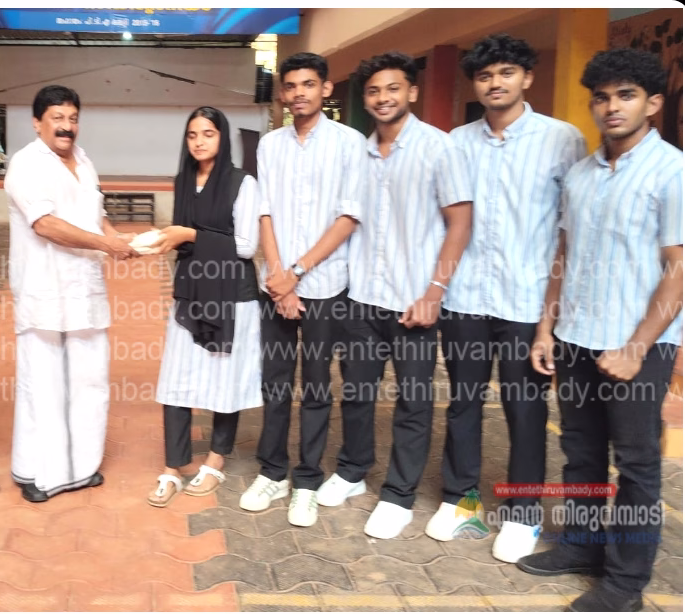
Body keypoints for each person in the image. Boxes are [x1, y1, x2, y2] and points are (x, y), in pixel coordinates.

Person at [519, 48, 682, 613]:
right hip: (576, 337)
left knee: (636, 465)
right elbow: (564, 254)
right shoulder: (582, 175)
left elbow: (679, 267)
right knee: (580, 451)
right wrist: (547, 328)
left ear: (652, 104)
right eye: (602, 97)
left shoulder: (672, 171)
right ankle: (582, 545)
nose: (612, 107)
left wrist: (636, 348)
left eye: (626, 95)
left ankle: (625, 583)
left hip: (639, 345)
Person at [427, 34, 587, 562]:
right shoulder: (458, 142)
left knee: (525, 409)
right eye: (485, 75)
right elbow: (449, 221)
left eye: (506, 72)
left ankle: (523, 514)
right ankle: (461, 501)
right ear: (475, 84)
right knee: (464, 403)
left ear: (527, 77)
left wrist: (551, 318)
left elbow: (569, 231)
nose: (495, 83)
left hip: (526, 301)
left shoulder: (562, 140)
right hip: (467, 298)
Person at [325, 52, 473, 539]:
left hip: (414, 302)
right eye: (373, 91)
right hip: (363, 297)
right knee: (357, 393)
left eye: (393, 88)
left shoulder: (439, 147)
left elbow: (460, 223)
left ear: (412, 91)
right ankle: (352, 470)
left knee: (412, 401)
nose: (383, 98)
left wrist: (435, 292)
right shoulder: (359, 153)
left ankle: (398, 496)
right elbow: (350, 219)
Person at [237, 51, 367, 529]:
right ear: (283, 93)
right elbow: (265, 212)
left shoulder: (350, 143)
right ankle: (272, 472)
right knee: (274, 383)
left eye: (308, 84)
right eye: (290, 86)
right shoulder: (270, 145)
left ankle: (307, 480)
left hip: (326, 287)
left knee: (315, 387)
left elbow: (349, 218)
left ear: (325, 88)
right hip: (276, 287)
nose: (298, 94)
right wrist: (279, 278)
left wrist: (296, 272)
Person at [4, 85, 139, 502]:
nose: (67, 126)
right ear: (37, 123)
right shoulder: (26, 164)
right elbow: (44, 224)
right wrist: (105, 245)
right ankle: (37, 473)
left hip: (85, 290)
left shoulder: (84, 160)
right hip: (45, 290)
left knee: (89, 380)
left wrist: (119, 240)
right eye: (57, 118)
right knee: (43, 384)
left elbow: (96, 215)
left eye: (73, 118)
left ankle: (81, 468)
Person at [145, 107, 262, 507]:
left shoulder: (241, 183)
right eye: (192, 134)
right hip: (192, 289)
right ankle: (173, 466)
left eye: (208, 133)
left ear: (222, 138)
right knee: (176, 376)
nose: (199, 141)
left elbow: (246, 245)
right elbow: (181, 238)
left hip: (232, 293)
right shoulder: (183, 180)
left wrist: (191, 234)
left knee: (224, 378)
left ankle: (215, 460)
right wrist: (162, 239)